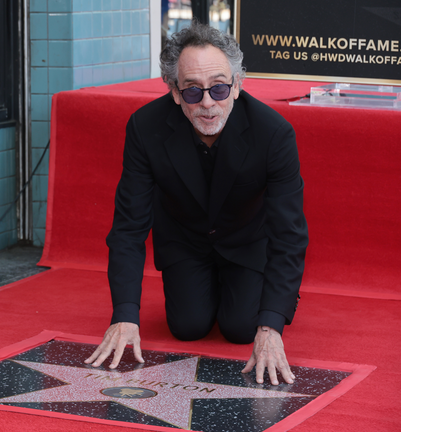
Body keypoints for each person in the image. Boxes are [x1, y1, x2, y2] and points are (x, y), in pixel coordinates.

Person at [84, 20, 308, 386]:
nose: (207, 103)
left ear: (237, 85)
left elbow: (290, 233)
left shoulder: (274, 133)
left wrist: (271, 322)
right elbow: (129, 226)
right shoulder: (145, 127)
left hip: (247, 242)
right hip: (185, 241)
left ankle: (266, 294)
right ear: (175, 92)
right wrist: (124, 314)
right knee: (187, 327)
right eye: (192, 91)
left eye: (219, 88)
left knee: (240, 328)